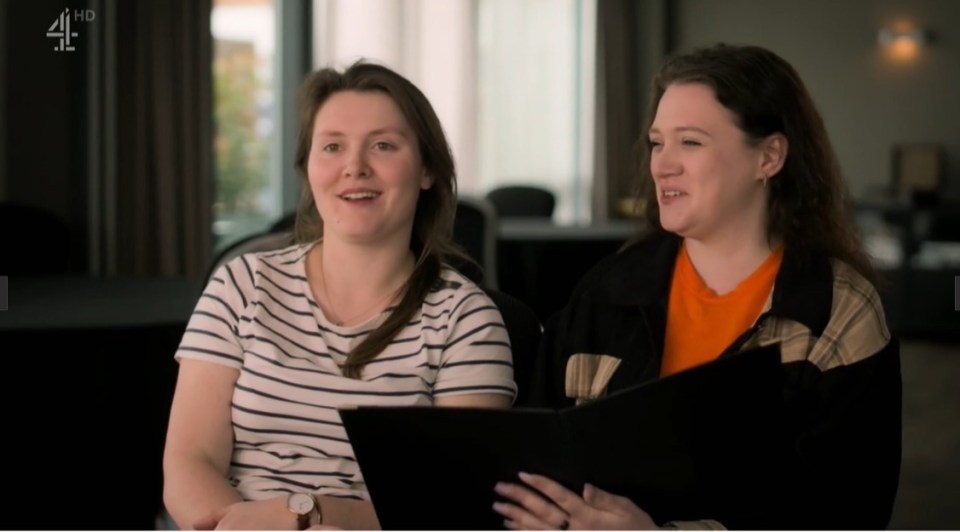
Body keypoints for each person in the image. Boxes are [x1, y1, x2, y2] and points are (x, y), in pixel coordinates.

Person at [493, 43, 901, 530]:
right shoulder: (607, 290)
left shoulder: (838, 314)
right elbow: (535, 457)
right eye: (657, 142)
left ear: (769, 156)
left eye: (690, 142)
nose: (662, 165)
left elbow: (846, 514)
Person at [163, 61, 516, 530]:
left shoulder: (466, 319)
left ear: (428, 168)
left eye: (383, 146)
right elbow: (190, 462)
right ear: (309, 168)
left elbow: (452, 502)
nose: (354, 167)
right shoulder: (239, 285)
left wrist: (306, 516)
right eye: (332, 146)